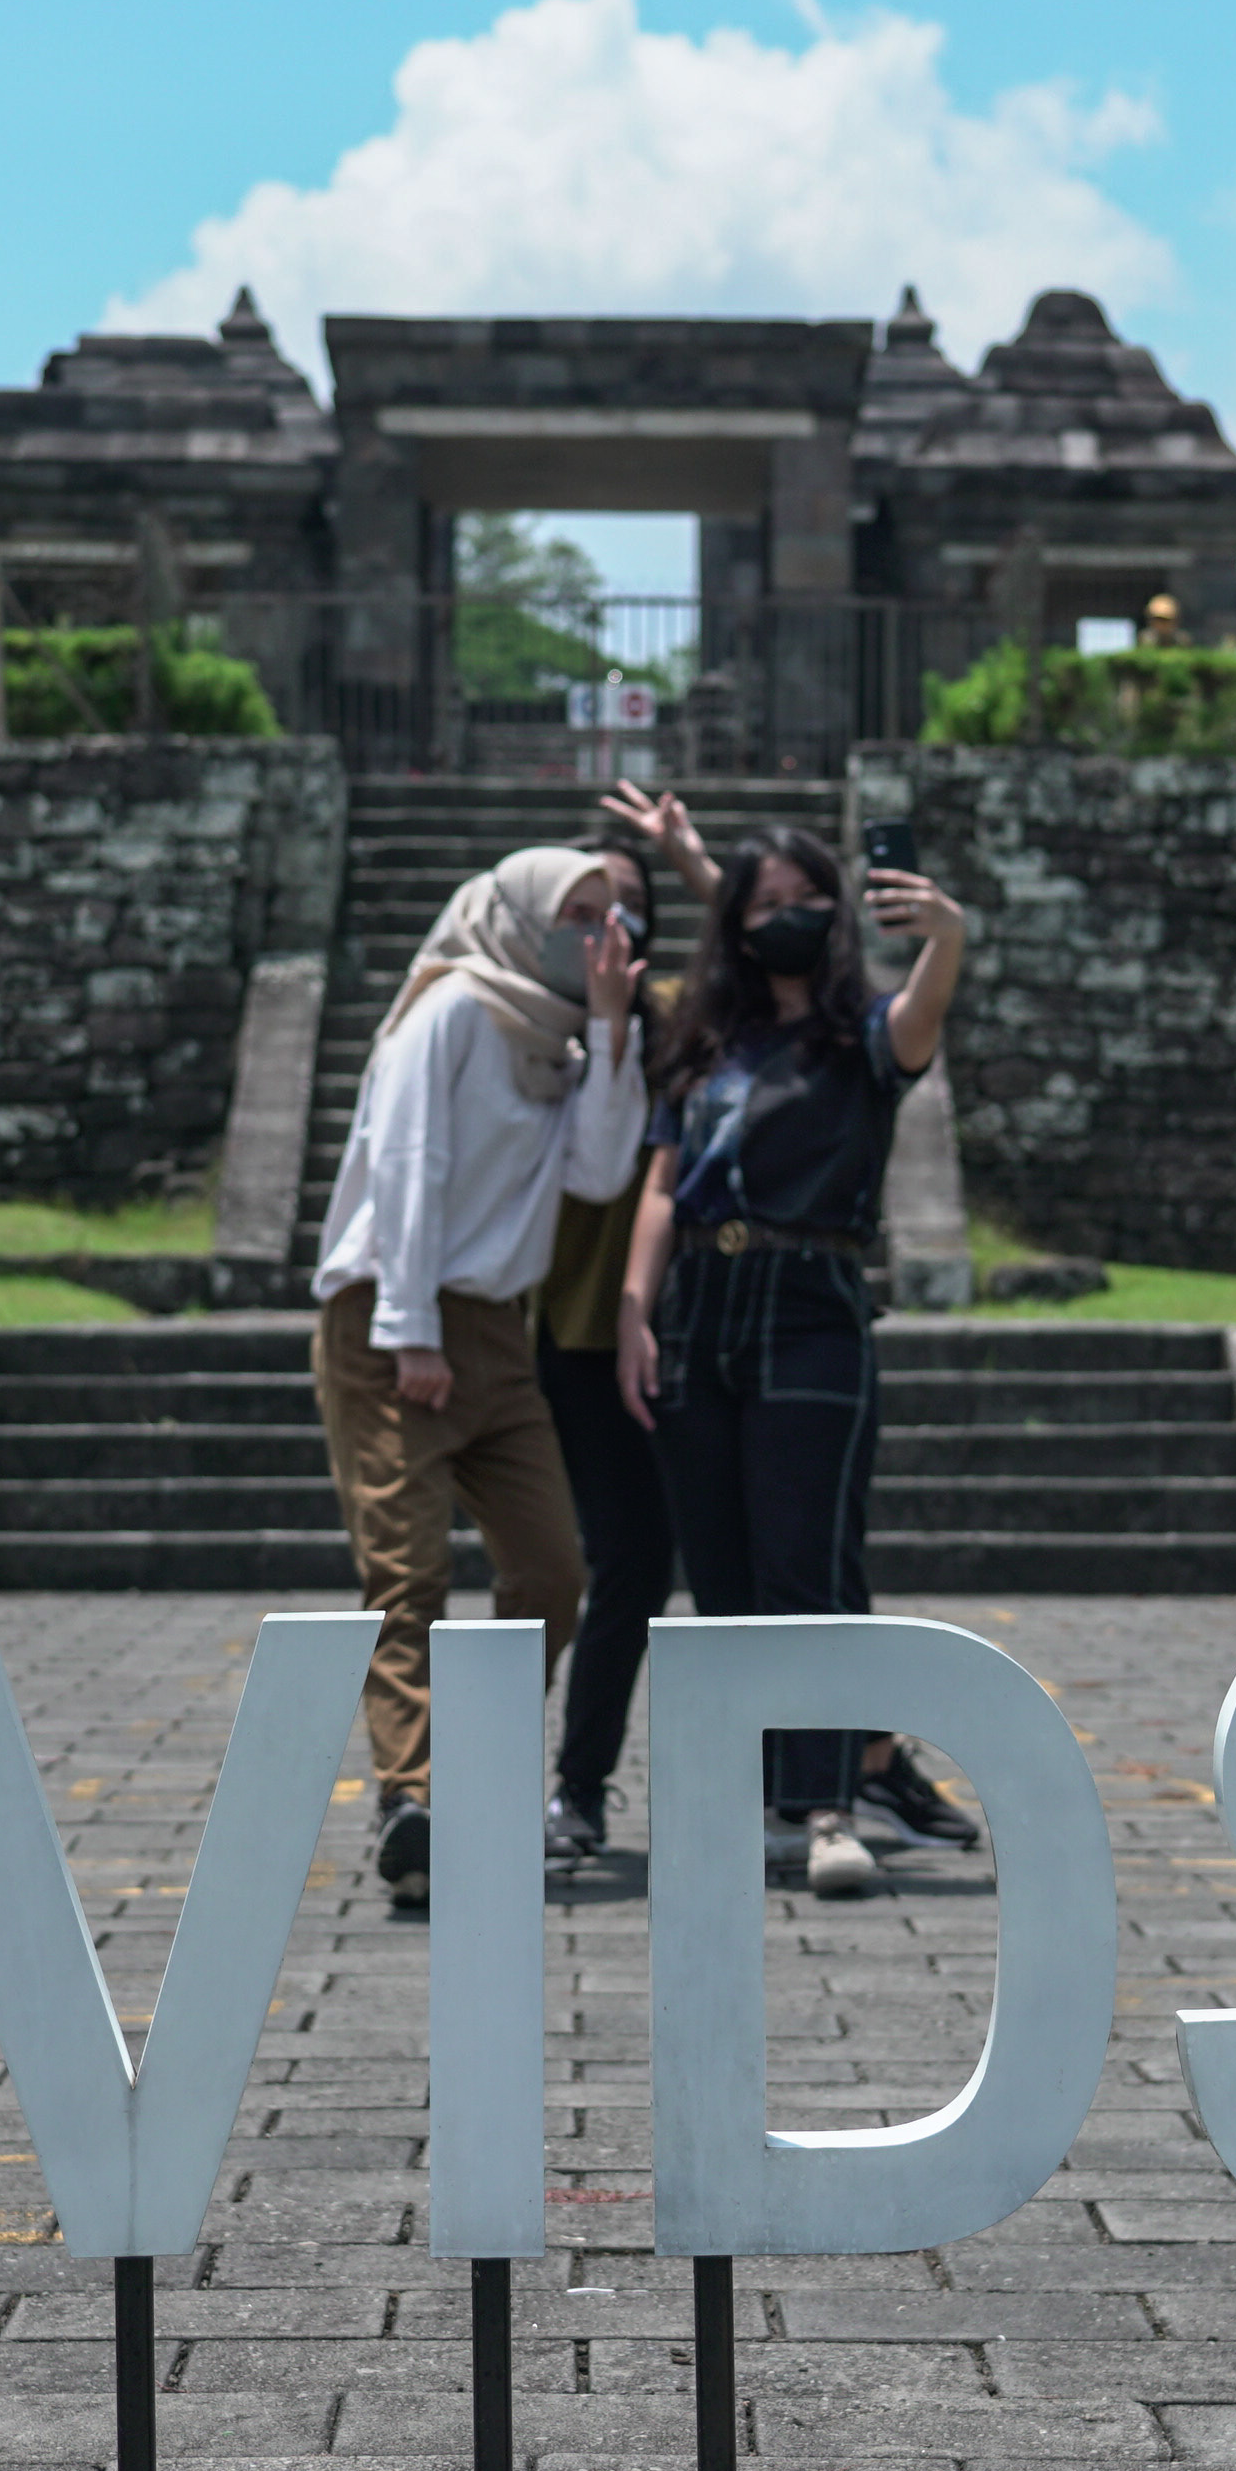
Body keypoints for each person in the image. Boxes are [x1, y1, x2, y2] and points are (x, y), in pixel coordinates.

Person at [617, 823, 979, 1897]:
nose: (787, 915)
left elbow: (921, 1018)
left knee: (802, 1567)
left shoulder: (860, 1037)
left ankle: (825, 1806)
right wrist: (634, 1310)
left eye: (805, 898)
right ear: (735, 921)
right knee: (719, 1577)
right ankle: (746, 1803)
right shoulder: (700, 1041)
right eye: (764, 899)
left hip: (811, 1301)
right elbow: (657, 1186)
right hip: (698, 1306)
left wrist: (947, 933)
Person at [308, 843, 647, 1913]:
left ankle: (473, 1775)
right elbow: (409, 1166)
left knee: (550, 1570)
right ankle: (412, 1798)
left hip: (499, 1335)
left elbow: (597, 1171)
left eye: (607, 915)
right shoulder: (450, 1008)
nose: (591, 931)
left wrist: (606, 1025)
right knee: (404, 1574)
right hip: (390, 1316)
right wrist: (410, 1331)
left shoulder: (559, 1043)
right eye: (573, 911)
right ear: (513, 913)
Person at [525, 783, 708, 1868]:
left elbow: (769, 953)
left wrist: (685, 856)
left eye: (632, 907)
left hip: (692, 1335)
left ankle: (804, 1785)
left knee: (694, 1561)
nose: (612, 928)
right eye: (589, 909)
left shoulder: (686, 1018)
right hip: (576, 1337)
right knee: (615, 1557)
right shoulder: (528, 1027)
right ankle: (572, 1785)